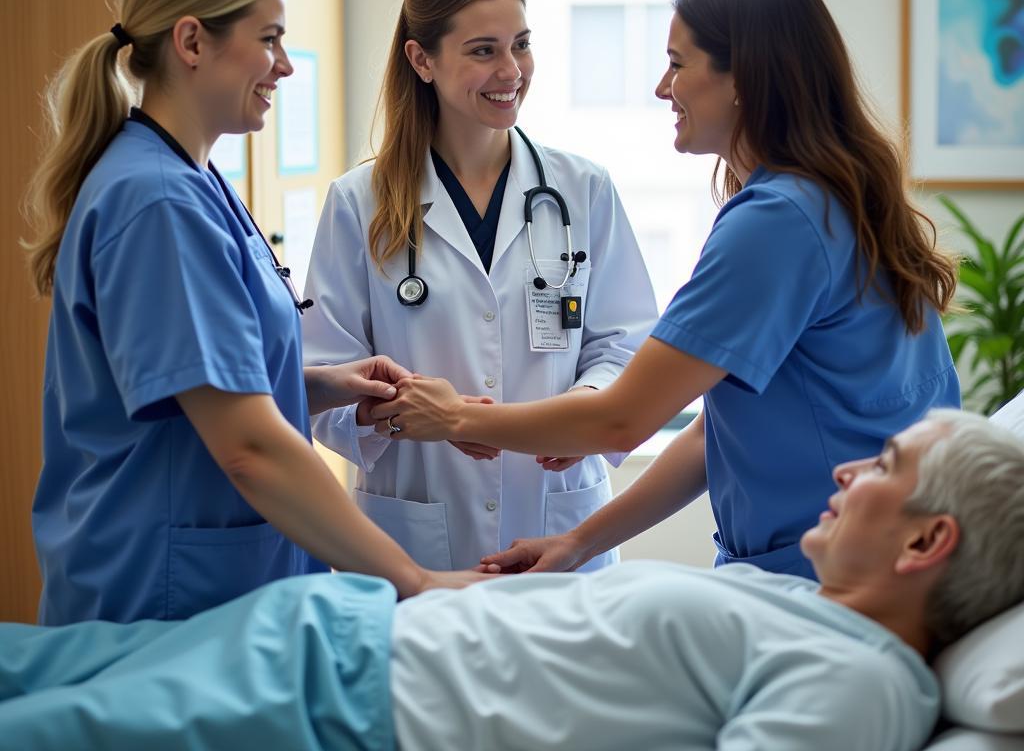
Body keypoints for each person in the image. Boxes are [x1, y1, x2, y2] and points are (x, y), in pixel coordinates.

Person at [373, 0, 962, 580]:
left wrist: (456, 417)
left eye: (678, 64)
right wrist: (575, 541)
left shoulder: (777, 222)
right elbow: (720, 429)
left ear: (745, 80)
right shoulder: (832, 198)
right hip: (855, 558)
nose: (662, 86)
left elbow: (624, 415)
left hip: (826, 570)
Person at [3, 411, 1023, 751]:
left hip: (340, 704)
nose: (845, 469)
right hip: (334, 628)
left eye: (882, 464)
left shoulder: (861, 683)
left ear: (926, 543)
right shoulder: (803, 610)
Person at [22, 0, 485, 626]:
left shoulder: (192, 180)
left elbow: (190, 387)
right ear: (191, 42)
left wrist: (322, 385)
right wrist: (413, 580)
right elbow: (245, 444)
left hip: (217, 581)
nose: (285, 66)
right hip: (166, 595)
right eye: (268, 39)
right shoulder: (158, 202)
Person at [302, 0, 657, 571]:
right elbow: (321, 377)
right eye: (483, 50)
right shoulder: (358, 203)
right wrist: (399, 417)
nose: (512, 70)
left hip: (559, 523)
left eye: (521, 44)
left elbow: (626, 343)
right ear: (422, 60)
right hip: (415, 531)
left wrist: (584, 415)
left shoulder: (583, 188)